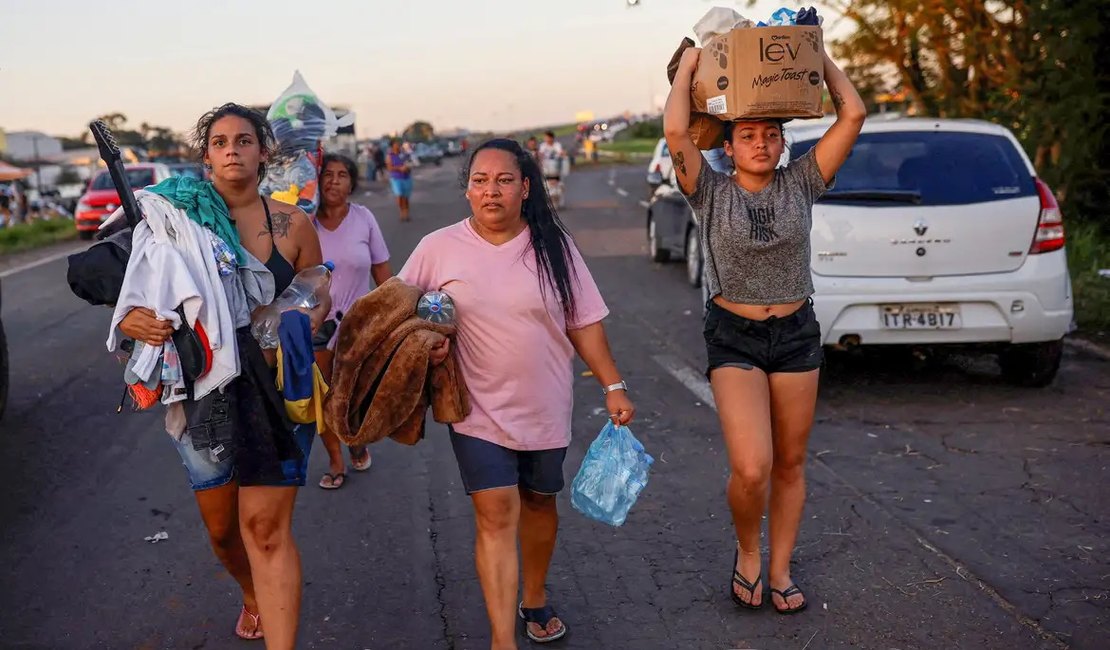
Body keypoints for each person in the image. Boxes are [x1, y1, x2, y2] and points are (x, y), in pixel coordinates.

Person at [399, 139, 635, 649]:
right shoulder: (438, 247)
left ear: (525, 188)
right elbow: (398, 313)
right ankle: (501, 639)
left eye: (504, 180)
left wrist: (613, 385)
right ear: (467, 190)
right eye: (480, 180)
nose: (491, 191)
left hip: (545, 406)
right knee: (496, 511)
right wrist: (427, 346)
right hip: (475, 409)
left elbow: (585, 324)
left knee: (539, 501)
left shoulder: (555, 247)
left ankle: (533, 595)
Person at [118, 103, 331, 647]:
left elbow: (317, 290)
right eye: (219, 142)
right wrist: (133, 318)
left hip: (278, 389)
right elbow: (132, 287)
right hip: (204, 393)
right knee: (222, 531)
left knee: (263, 527)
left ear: (264, 151)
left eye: (243, 140)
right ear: (206, 156)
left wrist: (296, 323)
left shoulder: (294, 222)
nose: (232, 150)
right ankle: (251, 591)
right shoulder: (172, 220)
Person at [664, 47, 865, 614]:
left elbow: (852, 114)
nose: (759, 143)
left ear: (783, 144)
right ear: (727, 147)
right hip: (734, 335)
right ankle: (748, 552)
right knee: (752, 466)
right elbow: (678, 127)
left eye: (770, 134)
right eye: (746, 134)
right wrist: (686, 72)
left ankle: (780, 570)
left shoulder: (802, 182)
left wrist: (816, 59)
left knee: (791, 464)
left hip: (797, 333)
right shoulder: (709, 191)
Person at [313, 152, 393, 489]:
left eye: (342, 175)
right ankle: (335, 461)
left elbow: (383, 273)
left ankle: (355, 437)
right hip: (315, 324)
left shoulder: (363, 218)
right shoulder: (303, 220)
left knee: (355, 393)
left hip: (358, 325)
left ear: (352, 182)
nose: (334, 181)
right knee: (325, 395)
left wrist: (394, 317)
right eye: (327, 174)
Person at [385, 139, 414, 221]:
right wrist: (400, 168)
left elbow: (410, 163)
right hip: (396, 178)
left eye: (398, 144)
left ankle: (406, 213)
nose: (398, 145)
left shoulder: (404, 154)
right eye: (396, 144)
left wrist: (407, 167)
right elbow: (389, 168)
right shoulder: (390, 155)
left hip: (406, 177)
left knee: (406, 197)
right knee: (399, 195)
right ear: (392, 145)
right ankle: (401, 212)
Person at [537, 131, 566, 208]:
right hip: (546, 168)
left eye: (547, 137)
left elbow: (561, 153)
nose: (546, 139)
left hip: (556, 167)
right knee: (547, 186)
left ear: (551, 138)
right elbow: (540, 154)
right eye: (545, 138)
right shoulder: (543, 146)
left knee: (559, 185)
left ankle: (560, 202)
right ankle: (550, 202)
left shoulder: (557, 145)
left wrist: (562, 155)